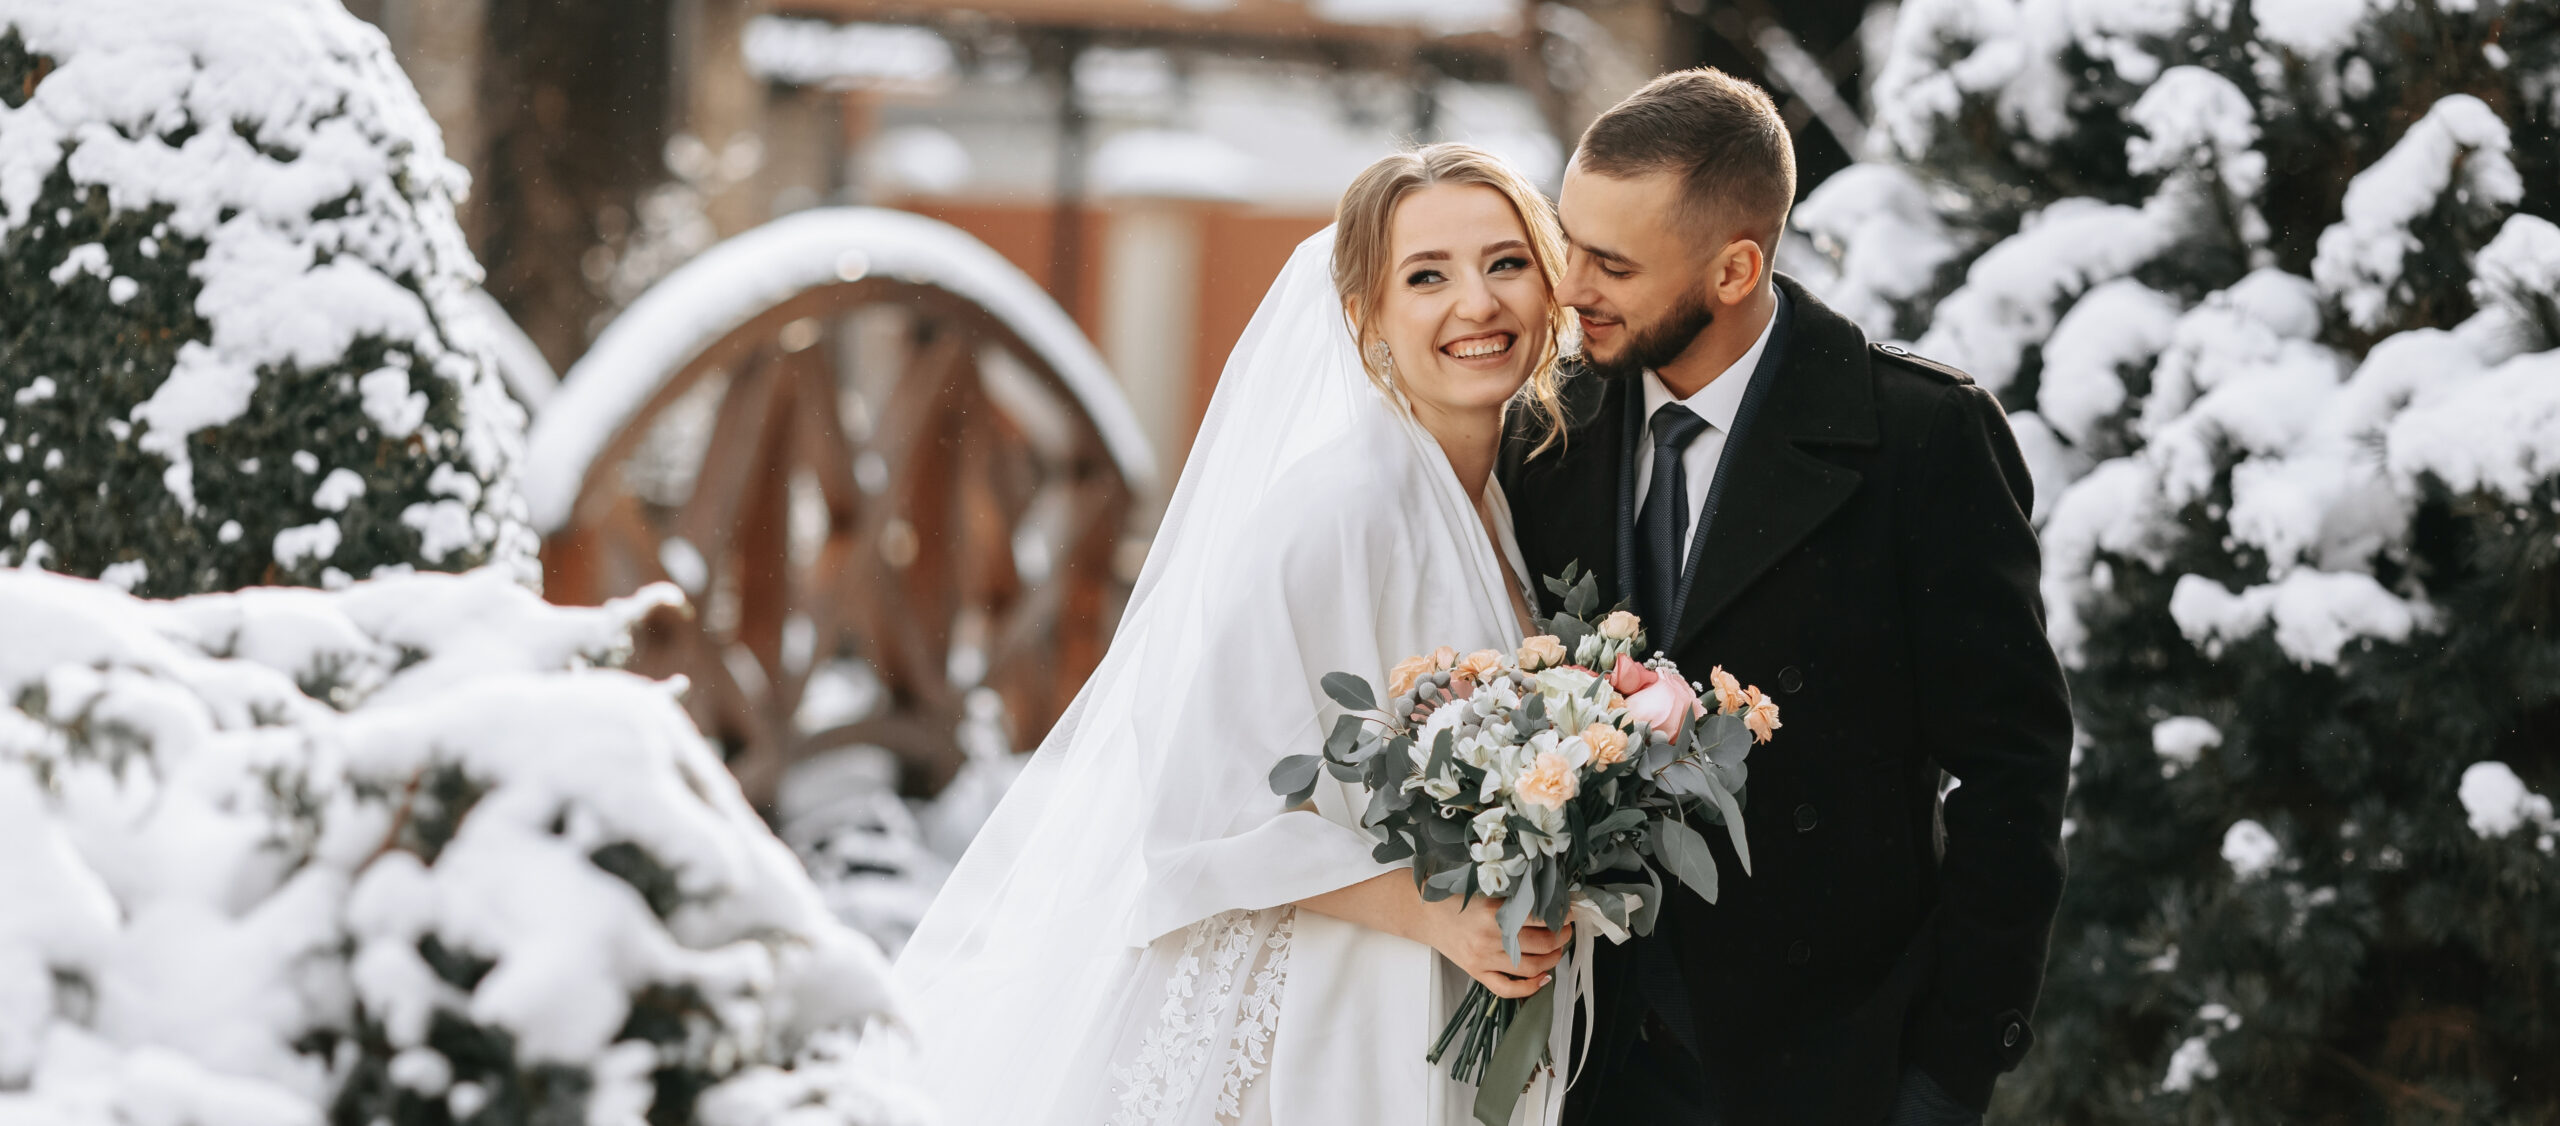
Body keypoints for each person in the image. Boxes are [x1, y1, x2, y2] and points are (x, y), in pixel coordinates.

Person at [894, 144, 1586, 1126]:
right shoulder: (1342, 507)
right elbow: (1197, 815)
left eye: (1505, 262)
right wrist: (1431, 910)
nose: (1476, 302)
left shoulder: (1490, 503)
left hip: (1425, 995)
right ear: (1366, 317)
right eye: (1426, 276)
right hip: (1316, 1016)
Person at [1499, 69, 2075, 1125]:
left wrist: (1943, 1078)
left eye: (1612, 263)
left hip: (1829, 1061)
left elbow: (2011, 775)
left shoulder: (1918, 438)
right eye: (1567, 241)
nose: (1567, 286)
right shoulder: (1546, 429)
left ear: (1734, 267)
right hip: (1581, 1052)